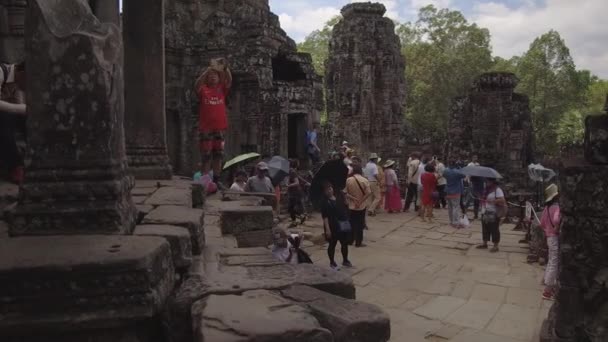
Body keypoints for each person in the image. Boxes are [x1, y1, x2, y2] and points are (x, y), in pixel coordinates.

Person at [196, 62, 232, 188]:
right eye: (210, 75)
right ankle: (205, 181)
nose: (213, 77)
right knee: (206, 155)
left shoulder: (221, 89)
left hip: (220, 128)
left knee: (218, 154)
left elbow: (229, 80)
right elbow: (197, 85)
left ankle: (216, 180)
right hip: (206, 128)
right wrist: (207, 70)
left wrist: (225, 68)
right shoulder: (203, 90)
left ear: (219, 78)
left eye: (215, 75)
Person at [0, 61, 26, 184]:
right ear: (21, 73)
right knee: (4, 117)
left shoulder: (17, 84)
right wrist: (21, 108)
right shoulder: (0, 72)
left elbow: (19, 105)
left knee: (24, 116)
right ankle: (15, 166)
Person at [320, 181, 353, 269]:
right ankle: (332, 262)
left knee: (344, 243)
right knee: (332, 244)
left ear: (332, 188)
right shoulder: (325, 202)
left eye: (330, 189)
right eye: (327, 190)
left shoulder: (339, 196)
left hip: (342, 223)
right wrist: (327, 229)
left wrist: (346, 199)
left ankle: (345, 260)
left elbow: (346, 207)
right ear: (324, 192)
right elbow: (325, 217)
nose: (329, 191)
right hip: (332, 225)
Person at [540, 184, 560, 300]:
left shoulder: (547, 208)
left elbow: (542, 224)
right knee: (554, 262)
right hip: (554, 237)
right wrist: (556, 227)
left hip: (548, 237)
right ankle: (547, 291)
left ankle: (546, 281)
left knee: (551, 260)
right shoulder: (557, 207)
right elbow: (557, 219)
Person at [477, 178, 506, 252]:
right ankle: (484, 243)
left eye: (487, 181)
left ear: (492, 182)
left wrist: (493, 201)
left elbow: (502, 200)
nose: (486, 182)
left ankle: (495, 246)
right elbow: (483, 198)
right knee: (485, 228)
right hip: (485, 211)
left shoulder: (497, 190)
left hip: (494, 212)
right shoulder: (485, 189)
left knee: (494, 229)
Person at [345, 165, 371, 247]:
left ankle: (350, 240)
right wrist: (360, 201)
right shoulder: (364, 180)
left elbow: (345, 192)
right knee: (360, 224)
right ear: (361, 171)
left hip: (351, 205)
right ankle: (358, 242)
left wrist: (354, 199)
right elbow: (368, 193)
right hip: (361, 206)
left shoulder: (348, 180)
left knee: (351, 223)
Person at [443, 159, 466, 228]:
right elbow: (464, 175)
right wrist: (459, 167)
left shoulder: (446, 170)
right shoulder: (457, 172)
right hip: (456, 191)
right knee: (456, 207)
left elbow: (444, 175)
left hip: (448, 190)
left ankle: (451, 221)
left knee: (450, 207)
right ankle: (455, 222)